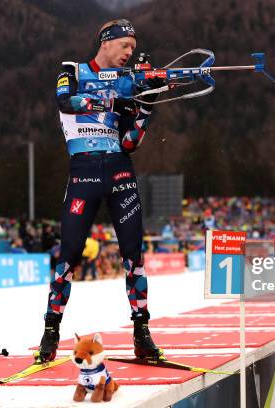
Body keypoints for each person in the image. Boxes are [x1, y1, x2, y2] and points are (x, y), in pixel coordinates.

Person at [37, 19, 165, 363]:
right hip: (84, 172)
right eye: (125, 46)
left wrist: (146, 107)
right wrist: (111, 105)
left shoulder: (128, 83)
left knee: (133, 255)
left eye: (133, 50)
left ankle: (142, 333)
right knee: (70, 253)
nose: (128, 54)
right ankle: (51, 330)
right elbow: (66, 102)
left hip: (120, 170)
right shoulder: (73, 71)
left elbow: (130, 141)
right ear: (106, 42)